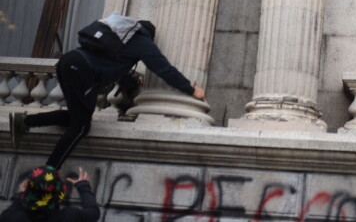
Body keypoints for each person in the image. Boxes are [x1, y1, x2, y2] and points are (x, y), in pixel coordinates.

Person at [9, 13, 205, 169]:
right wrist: (190, 90)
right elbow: (163, 69)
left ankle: (25, 121)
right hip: (82, 71)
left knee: (77, 117)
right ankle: (48, 172)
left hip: (67, 63)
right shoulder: (142, 42)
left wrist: (133, 81)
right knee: (81, 128)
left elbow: (115, 71)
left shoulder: (117, 39)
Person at [0, 165, 100, 221]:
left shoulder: (12, 217)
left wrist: (21, 197)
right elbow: (94, 212)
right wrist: (83, 187)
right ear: (59, 194)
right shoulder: (68, 217)